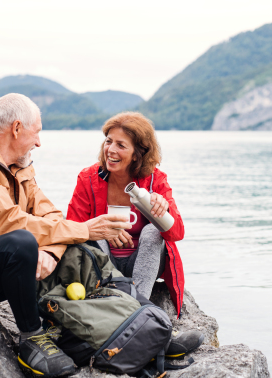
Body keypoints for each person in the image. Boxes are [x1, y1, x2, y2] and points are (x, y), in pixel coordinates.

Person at [0, 93, 132, 378]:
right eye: (37, 132)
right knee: (25, 242)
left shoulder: (20, 163)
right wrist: (84, 229)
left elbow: (50, 215)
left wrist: (53, 251)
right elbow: (7, 224)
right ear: (17, 129)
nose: (39, 142)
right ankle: (32, 338)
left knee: (75, 247)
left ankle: (135, 320)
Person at [67, 112, 186, 315]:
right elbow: (71, 228)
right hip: (103, 263)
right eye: (108, 141)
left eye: (121, 145)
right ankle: (113, 299)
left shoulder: (155, 180)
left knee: (152, 232)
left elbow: (177, 234)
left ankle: (136, 309)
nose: (110, 150)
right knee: (92, 232)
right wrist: (101, 228)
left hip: (142, 265)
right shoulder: (88, 178)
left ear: (137, 154)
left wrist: (163, 209)